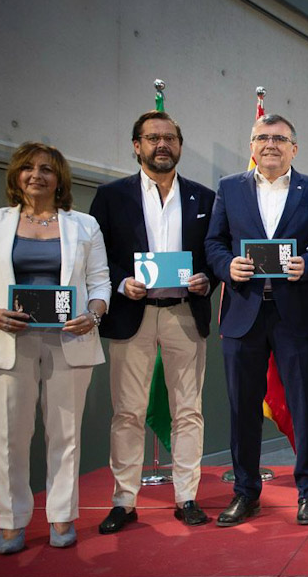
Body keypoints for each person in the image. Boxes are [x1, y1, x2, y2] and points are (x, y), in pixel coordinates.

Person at [90, 111, 217, 533]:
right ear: (136, 145)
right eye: (151, 138)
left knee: (189, 412)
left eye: (169, 138)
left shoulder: (203, 197)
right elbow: (97, 257)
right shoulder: (111, 197)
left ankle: (186, 497)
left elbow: (215, 251)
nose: (161, 144)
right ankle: (124, 502)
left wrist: (208, 279)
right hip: (133, 317)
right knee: (127, 412)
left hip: (184, 313)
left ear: (179, 144)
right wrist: (121, 282)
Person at [204, 114, 308, 527]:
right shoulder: (229, 188)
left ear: (295, 147)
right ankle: (245, 492)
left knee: (305, 407)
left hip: (294, 311)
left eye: (280, 138)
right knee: (242, 408)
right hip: (243, 312)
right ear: (251, 145)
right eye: (263, 137)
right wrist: (228, 267)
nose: (271, 144)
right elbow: (214, 243)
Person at [0, 142, 111, 553]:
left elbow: (100, 282)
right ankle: (11, 520)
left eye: (46, 168)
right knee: (10, 434)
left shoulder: (84, 224)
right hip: (11, 340)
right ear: (16, 176)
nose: (36, 175)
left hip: (70, 338)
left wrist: (93, 316)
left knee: (65, 433)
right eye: (27, 168)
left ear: (59, 177)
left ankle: (62, 515)